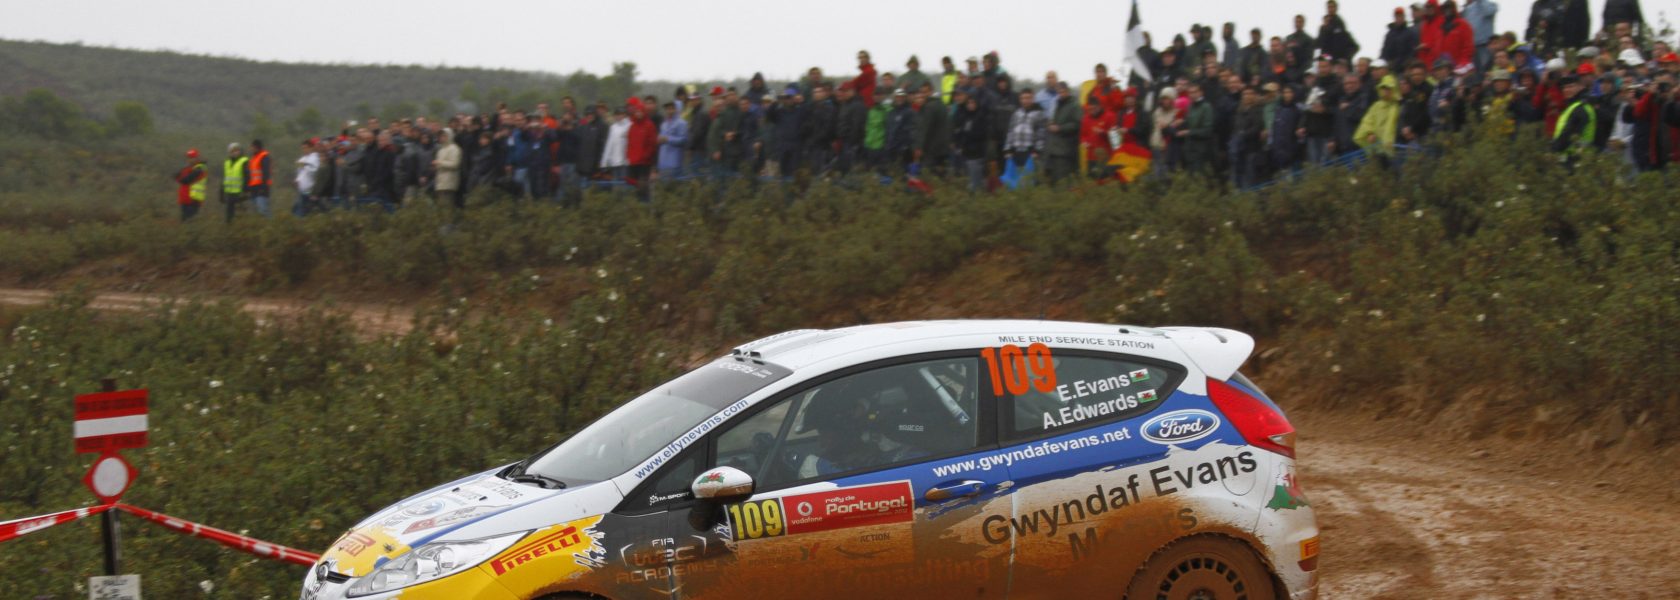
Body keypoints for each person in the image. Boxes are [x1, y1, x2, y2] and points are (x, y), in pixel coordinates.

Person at [1355, 76, 1401, 165]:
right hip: (1378, 150)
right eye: (1384, 88)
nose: (1386, 91)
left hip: (1397, 149)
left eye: (1389, 88)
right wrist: (1369, 132)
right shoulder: (1376, 106)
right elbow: (1367, 121)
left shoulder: (1398, 106)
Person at [1550, 75, 1597, 160]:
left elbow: (1569, 135)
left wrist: (1553, 150)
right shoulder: (1572, 105)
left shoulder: (1581, 108)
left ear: (1580, 87)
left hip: (1576, 158)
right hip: (1569, 156)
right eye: (1564, 87)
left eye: (1570, 86)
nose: (1566, 90)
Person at [1047, 82, 1083, 184]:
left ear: (1068, 91)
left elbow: (1078, 124)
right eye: (1059, 92)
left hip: (1068, 148)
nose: (1061, 94)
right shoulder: (1057, 104)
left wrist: (1060, 128)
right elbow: (1056, 120)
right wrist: (1051, 124)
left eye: (1063, 91)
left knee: (1065, 179)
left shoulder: (1075, 105)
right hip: (1055, 147)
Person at [626, 99, 658, 201]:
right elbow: (630, 143)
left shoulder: (649, 125)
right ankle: (636, 205)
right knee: (634, 187)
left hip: (644, 162)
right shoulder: (632, 126)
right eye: (636, 112)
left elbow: (652, 144)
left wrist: (646, 156)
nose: (638, 114)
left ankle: (645, 205)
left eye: (640, 111)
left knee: (643, 187)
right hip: (633, 162)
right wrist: (629, 156)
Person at [656, 102, 689, 181]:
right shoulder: (664, 124)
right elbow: (661, 138)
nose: (669, 111)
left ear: (677, 109)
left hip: (675, 162)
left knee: (675, 185)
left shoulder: (682, 123)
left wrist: (668, 139)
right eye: (667, 109)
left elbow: (683, 140)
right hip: (663, 162)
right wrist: (658, 139)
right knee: (664, 186)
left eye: (672, 109)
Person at [173, 148, 207, 222]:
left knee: (190, 222)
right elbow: (175, 176)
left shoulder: (200, 168)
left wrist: (181, 178)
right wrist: (181, 178)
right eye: (189, 157)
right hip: (184, 199)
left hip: (194, 200)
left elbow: (185, 180)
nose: (190, 160)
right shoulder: (187, 168)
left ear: (197, 157)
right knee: (184, 222)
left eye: (192, 157)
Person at [434, 128, 463, 209]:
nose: (442, 138)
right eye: (440, 136)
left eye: (444, 136)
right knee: (441, 208)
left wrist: (440, 163)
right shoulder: (441, 150)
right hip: (440, 183)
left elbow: (455, 164)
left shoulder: (454, 148)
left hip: (449, 183)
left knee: (448, 208)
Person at [219, 142, 247, 223]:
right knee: (229, 216)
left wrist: (245, 191)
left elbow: (247, 177)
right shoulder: (227, 163)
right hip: (229, 193)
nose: (235, 152)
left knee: (241, 215)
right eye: (232, 151)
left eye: (237, 150)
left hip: (240, 193)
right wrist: (221, 193)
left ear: (240, 151)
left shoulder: (244, 161)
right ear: (229, 152)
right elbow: (224, 179)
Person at [293, 139, 321, 216]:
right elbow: (300, 173)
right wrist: (297, 180)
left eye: (306, 148)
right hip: (301, 189)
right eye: (302, 148)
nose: (304, 150)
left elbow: (314, 172)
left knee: (304, 211)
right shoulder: (302, 159)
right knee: (298, 210)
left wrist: (305, 165)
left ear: (311, 148)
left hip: (310, 190)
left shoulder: (315, 158)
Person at [245, 139, 273, 218]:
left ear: (256, 147)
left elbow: (266, 173)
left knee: (263, 210)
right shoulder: (253, 158)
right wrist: (248, 186)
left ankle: (270, 224)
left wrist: (263, 187)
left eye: (252, 147)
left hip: (262, 188)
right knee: (256, 211)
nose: (251, 148)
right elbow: (250, 173)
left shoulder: (264, 157)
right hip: (253, 188)